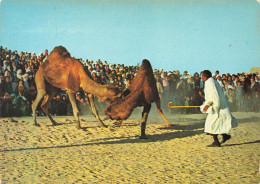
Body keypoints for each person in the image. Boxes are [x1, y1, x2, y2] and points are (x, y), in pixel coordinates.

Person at [200, 70, 237, 147]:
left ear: (205, 76)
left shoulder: (209, 82)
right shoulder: (213, 81)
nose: (202, 78)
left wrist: (208, 104)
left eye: (202, 76)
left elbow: (214, 95)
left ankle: (216, 142)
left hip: (217, 107)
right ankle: (224, 136)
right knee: (217, 123)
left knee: (211, 125)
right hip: (219, 106)